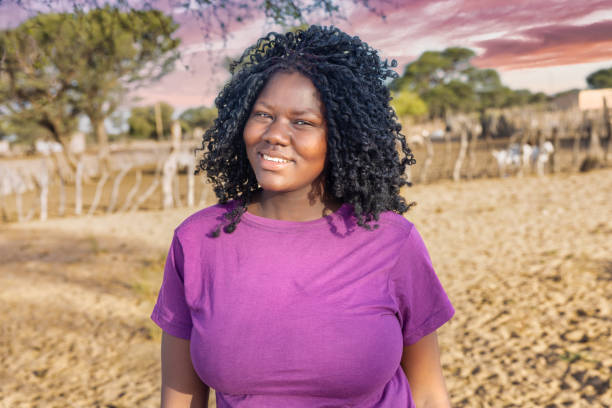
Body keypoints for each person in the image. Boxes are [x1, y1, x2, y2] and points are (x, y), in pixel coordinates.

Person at [151, 25, 454, 408]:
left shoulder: (392, 242)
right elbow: (180, 399)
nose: (275, 134)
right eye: (263, 115)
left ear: (343, 136)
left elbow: (427, 393)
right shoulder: (196, 241)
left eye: (302, 122)